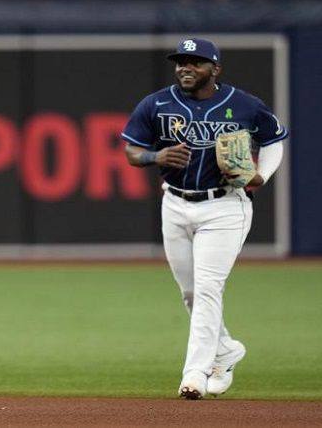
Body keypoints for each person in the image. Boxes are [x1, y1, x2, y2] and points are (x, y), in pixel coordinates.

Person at [121, 38, 288, 399]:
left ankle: (195, 373)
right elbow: (132, 150)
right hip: (176, 203)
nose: (185, 68)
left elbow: (274, 139)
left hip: (225, 205)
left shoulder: (244, 105)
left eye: (195, 62)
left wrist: (262, 175)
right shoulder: (157, 104)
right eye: (181, 62)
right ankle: (226, 351)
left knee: (209, 288)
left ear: (215, 69)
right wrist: (155, 158)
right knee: (191, 293)